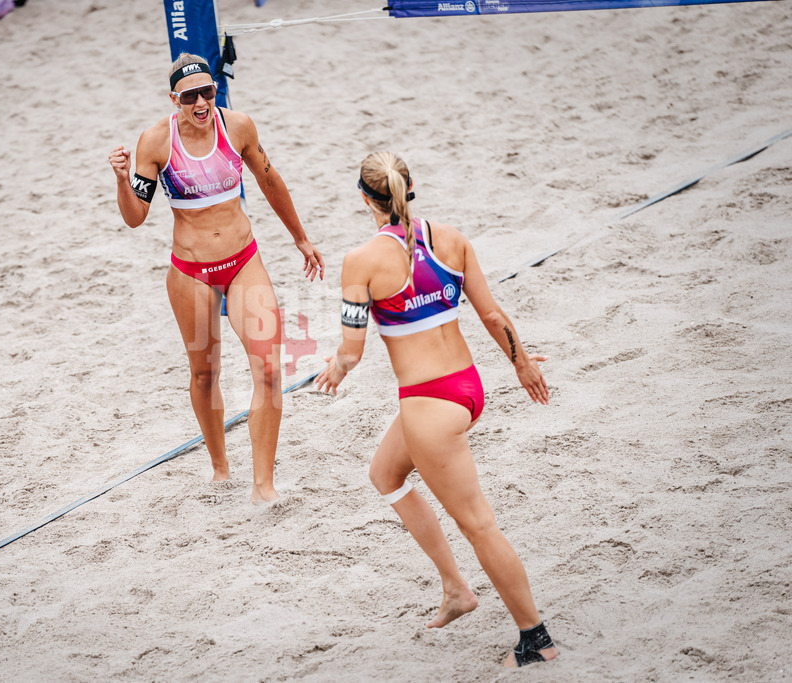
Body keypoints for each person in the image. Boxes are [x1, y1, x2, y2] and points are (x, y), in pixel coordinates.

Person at [314, 151, 558, 667]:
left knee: (479, 525)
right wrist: (521, 366)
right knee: (385, 473)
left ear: (364, 197)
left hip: (429, 404)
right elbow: (491, 314)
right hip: (468, 389)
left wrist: (336, 368)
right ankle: (455, 588)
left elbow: (352, 351)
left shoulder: (361, 261)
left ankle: (535, 641)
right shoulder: (451, 238)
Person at [108, 53, 324, 503]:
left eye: (208, 92)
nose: (202, 103)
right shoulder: (156, 142)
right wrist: (122, 180)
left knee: (268, 369)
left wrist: (301, 239)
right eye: (191, 97)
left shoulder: (238, 126)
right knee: (205, 374)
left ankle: (263, 485)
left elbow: (270, 181)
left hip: (244, 261)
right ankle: (220, 467)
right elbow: (135, 218)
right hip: (192, 274)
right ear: (175, 100)